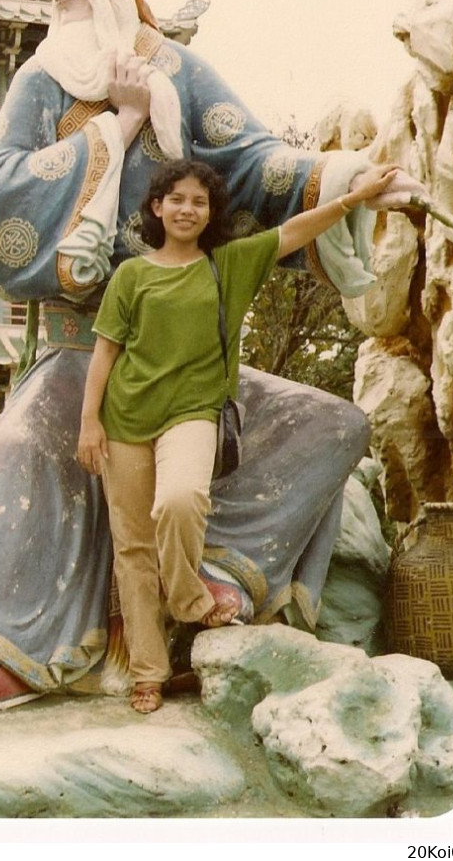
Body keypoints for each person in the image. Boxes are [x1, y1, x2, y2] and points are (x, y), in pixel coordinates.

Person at [0, 0, 423, 715]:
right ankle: (0, 642)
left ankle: (220, 571)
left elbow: (253, 166)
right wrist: (112, 127)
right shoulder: (39, 85)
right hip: (83, 355)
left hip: (190, 368)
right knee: (14, 447)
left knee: (335, 421)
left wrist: (347, 176)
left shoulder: (183, 72)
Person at [77, 157, 397, 714]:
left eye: (198, 201)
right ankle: (148, 673)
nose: (187, 209)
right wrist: (90, 422)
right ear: (157, 207)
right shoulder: (131, 275)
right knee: (132, 549)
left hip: (193, 414)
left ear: (209, 213)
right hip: (125, 419)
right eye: (176, 199)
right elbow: (105, 351)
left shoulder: (227, 264)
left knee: (182, 500)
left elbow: (295, 230)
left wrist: (352, 198)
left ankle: (187, 596)